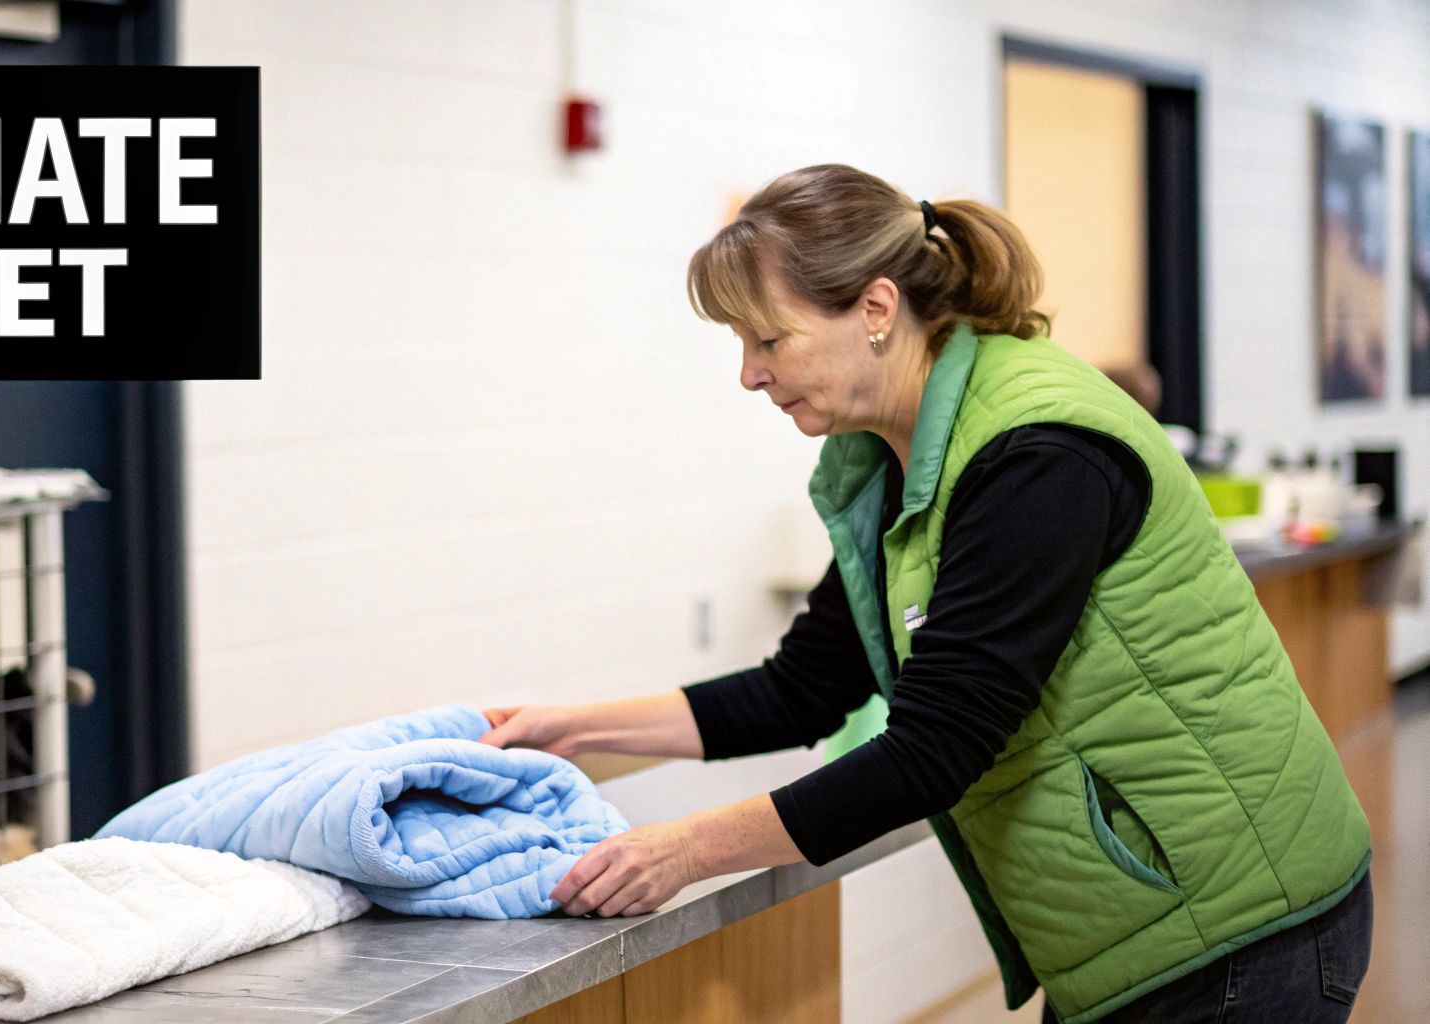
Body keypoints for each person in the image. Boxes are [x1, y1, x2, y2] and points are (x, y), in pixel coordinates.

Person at [476, 164, 1373, 1024]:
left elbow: (940, 745)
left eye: (768, 339)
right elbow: (807, 686)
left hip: (1240, 924)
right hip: (1144, 924)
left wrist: (685, 849)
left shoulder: (1035, 450)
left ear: (875, 307)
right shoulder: (893, 459)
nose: (750, 374)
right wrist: (573, 730)